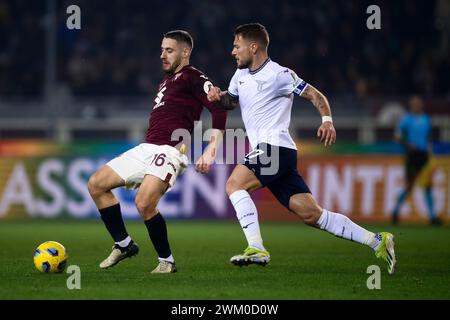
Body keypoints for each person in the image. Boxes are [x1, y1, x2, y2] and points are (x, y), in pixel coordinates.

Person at [207, 23, 396, 274]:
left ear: (253, 47)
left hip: (275, 147)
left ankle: (257, 248)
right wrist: (218, 97)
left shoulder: (279, 74)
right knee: (311, 215)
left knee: (234, 185)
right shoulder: (240, 75)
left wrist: (327, 121)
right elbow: (231, 101)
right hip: (273, 153)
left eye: (236, 46)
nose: (233, 51)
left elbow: (316, 96)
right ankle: (377, 241)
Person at [88, 30, 226, 273]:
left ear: (185, 52)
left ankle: (167, 262)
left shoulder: (193, 76)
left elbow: (219, 108)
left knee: (144, 202)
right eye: (162, 49)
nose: (162, 55)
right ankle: (123, 244)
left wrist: (211, 149)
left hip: (171, 149)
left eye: (169, 50)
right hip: (146, 147)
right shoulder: (166, 81)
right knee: (96, 184)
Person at [392, 95, 441, 225]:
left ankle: (432, 217)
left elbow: (428, 138)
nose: (416, 105)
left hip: (424, 156)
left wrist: (431, 153)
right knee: (409, 186)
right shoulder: (406, 120)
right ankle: (395, 212)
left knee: (428, 186)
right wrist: (408, 143)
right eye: (414, 103)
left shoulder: (426, 119)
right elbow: (397, 137)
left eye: (418, 103)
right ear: (411, 105)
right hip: (412, 156)